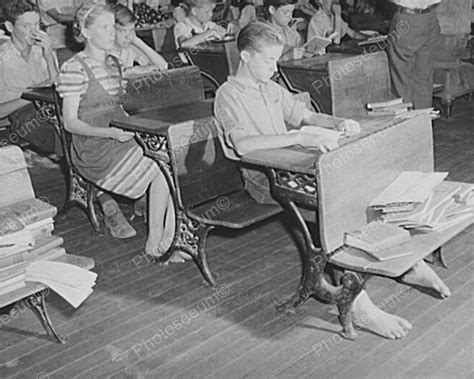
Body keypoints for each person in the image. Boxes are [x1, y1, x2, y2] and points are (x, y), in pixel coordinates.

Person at [214, 22, 450, 339]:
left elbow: (308, 117)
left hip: (294, 170)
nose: (274, 68)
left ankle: (403, 262)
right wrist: (297, 137)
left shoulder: (269, 87)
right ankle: (360, 307)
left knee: (364, 186)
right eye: (268, 61)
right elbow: (243, 145)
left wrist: (337, 122)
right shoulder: (227, 95)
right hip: (263, 179)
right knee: (335, 207)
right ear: (245, 56)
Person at [56, 2, 184, 261]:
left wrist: (134, 129)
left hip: (120, 138)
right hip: (94, 148)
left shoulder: (114, 63)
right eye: (104, 27)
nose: (111, 33)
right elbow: (70, 123)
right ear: (86, 32)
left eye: (111, 27)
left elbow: (117, 109)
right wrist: (112, 134)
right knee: (163, 165)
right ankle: (154, 241)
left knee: (175, 156)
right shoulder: (73, 68)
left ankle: (169, 239)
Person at [0, 0, 62, 159]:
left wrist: (48, 55)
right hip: (15, 116)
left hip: (46, 108)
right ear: (9, 27)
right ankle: (72, 155)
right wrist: (30, 96)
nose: (34, 31)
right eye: (26, 26)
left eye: (37, 24)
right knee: (31, 120)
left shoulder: (42, 50)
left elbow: (58, 87)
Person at [386, 0, 440, 109]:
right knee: (423, 77)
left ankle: (406, 122)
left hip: (407, 19)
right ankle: (423, 122)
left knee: (402, 78)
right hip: (429, 18)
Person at [110, 4, 168, 70]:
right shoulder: (103, 49)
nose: (127, 36)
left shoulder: (130, 47)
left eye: (131, 30)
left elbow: (163, 66)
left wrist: (137, 41)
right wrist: (132, 71)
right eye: (122, 31)